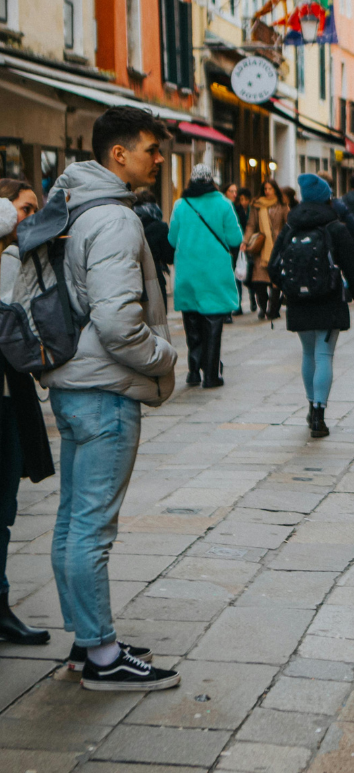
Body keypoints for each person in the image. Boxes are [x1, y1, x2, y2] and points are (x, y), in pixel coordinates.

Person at [40, 106, 179, 690]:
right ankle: (102, 656)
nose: (160, 158)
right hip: (104, 393)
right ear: (119, 154)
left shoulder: (75, 207)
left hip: (74, 385)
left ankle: (85, 638)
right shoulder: (116, 221)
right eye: (152, 148)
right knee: (93, 527)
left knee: (73, 521)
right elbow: (120, 323)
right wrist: (165, 360)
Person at [268, 173, 354, 438]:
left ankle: (311, 406)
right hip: (329, 298)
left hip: (298, 301)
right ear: (326, 197)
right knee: (324, 355)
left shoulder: (291, 226)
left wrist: (288, 288)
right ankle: (319, 416)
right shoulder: (334, 226)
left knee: (307, 353)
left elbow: (273, 265)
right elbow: (353, 267)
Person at [0, 181, 54, 645]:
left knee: (4, 508)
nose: (27, 219)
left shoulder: (20, 261)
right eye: (22, 209)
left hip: (10, 399)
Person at [168, 166, 245, 388]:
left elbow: (172, 240)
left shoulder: (181, 205)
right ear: (212, 181)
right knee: (213, 323)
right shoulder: (224, 204)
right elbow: (235, 237)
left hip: (188, 272)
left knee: (191, 322)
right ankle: (211, 375)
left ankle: (193, 372)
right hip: (215, 272)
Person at [243, 179, 288, 320]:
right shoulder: (257, 206)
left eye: (270, 188)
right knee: (259, 283)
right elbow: (251, 225)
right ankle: (263, 307)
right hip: (261, 248)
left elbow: (288, 224)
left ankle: (273, 310)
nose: (267, 191)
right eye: (265, 189)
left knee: (276, 282)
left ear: (275, 190)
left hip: (278, 247)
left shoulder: (282, 205)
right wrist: (245, 241)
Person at [133, 189, 173, 306]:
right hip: (155, 276)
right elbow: (169, 256)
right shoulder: (160, 227)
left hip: (133, 275)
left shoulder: (129, 222)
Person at [226, 185, 251, 315]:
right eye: (232, 191)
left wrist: (243, 241)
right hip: (225, 248)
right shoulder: (224, 208)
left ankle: (237, 304)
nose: (234, 194)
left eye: (236, 191)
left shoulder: (238, 209)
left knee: (237, 276)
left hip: (236, 247)